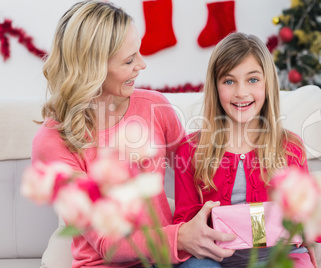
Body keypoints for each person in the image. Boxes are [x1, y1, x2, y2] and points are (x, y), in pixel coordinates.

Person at [31, 1, 235, 267]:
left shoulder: (154, 107)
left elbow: (202, 172)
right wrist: (181, 237)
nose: (142, 65)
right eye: (129, 60)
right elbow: (108, 244)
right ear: (93, 69)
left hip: (167, 257)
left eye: (137, 53)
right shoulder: (51, 143)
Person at [173, 32, 319, 268]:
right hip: (214, 258)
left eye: (252, 80)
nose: (241, 92)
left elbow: (308, 214)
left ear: (268, 84)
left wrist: (310, 235)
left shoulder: (290, 148)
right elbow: (183, 221)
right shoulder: (190, 149)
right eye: (229, 81)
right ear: (216, 87)